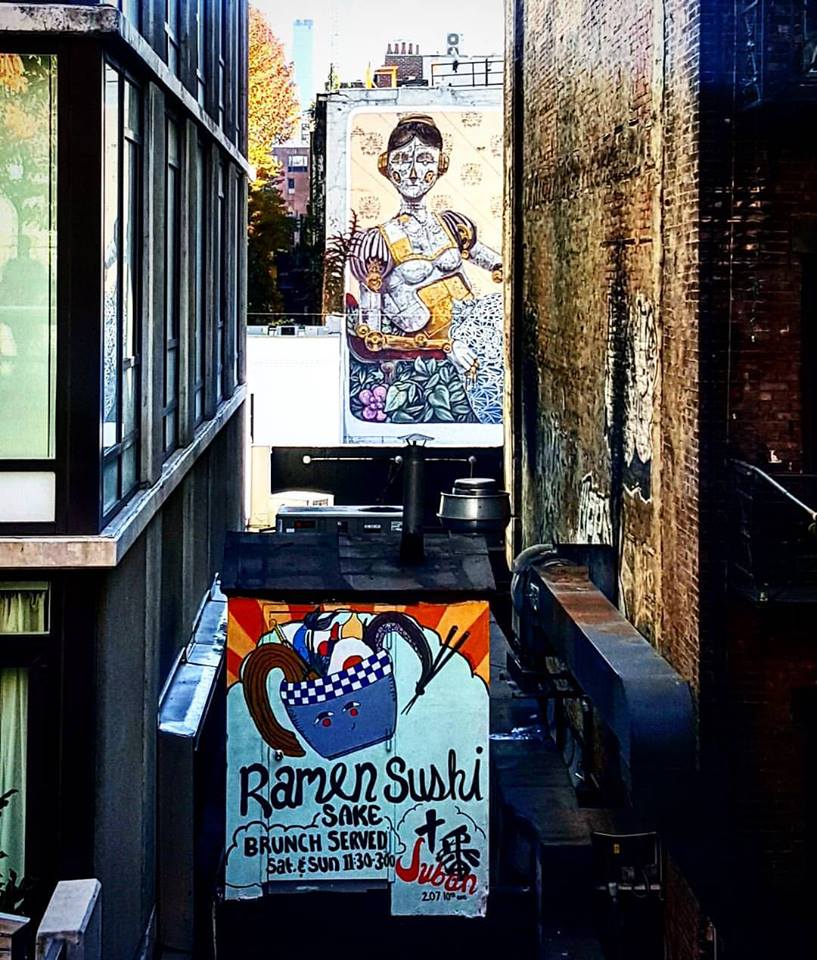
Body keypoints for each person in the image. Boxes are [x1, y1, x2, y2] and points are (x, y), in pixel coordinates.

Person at [348, 114, 503, 424]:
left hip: (481, 335)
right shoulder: (377, 242)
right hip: (435, 354)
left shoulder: (452, 225)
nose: (413, 173)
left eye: (424, 160)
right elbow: (373, 338)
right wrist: (446, 346)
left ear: (440, 165)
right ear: (386, 165)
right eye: (403, 160)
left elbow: (498, 264)